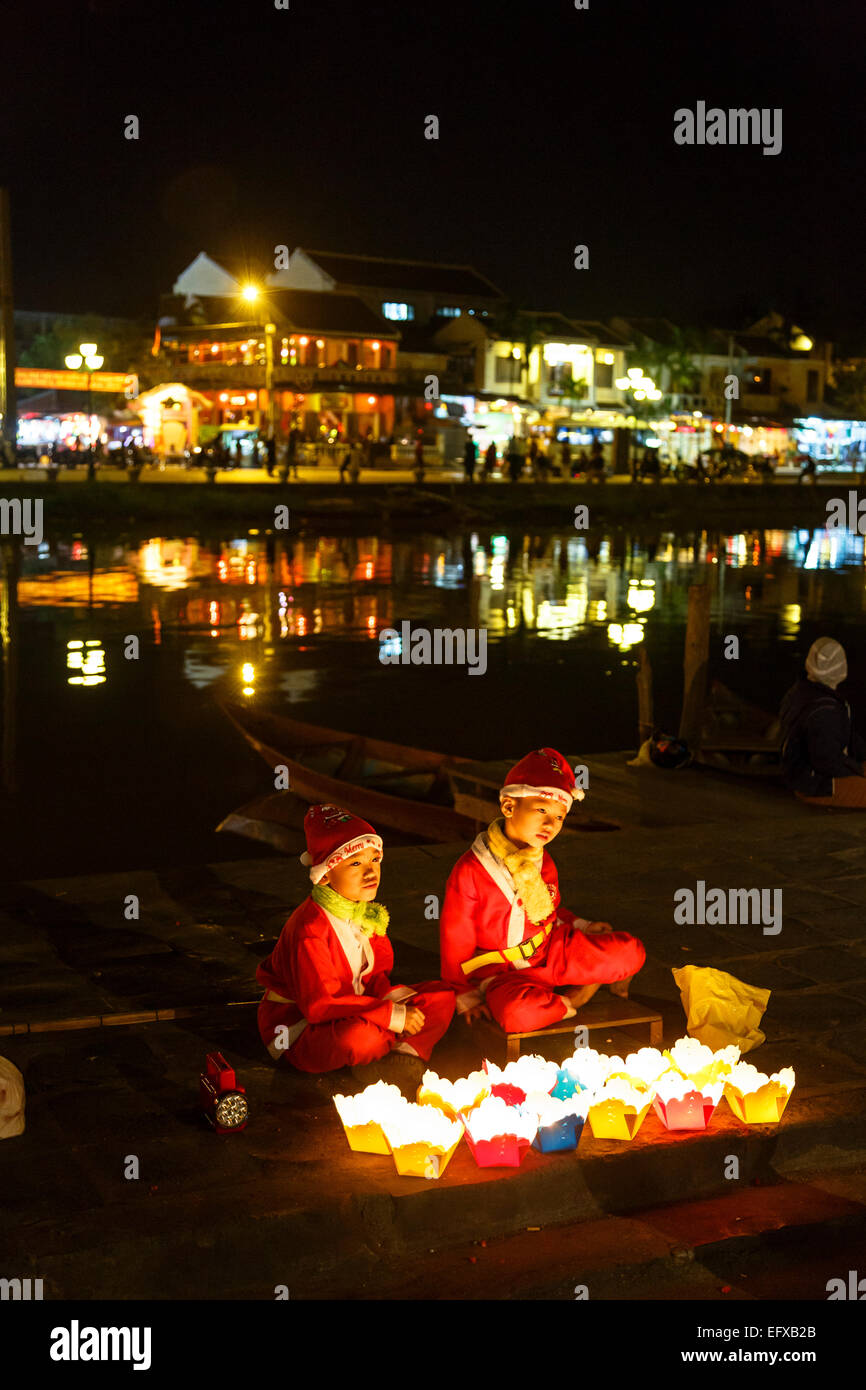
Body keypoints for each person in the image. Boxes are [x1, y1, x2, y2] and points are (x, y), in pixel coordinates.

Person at [439, 749, 646, 1035]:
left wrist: (582, 925)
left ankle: (565, 991)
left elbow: (550, 911)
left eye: (559, 817)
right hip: (503, 974)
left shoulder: (543, 861)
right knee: (516, 1016)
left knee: (630, 952)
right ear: (509, 806)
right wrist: (464, 995)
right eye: (541, 810)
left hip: (551, 951)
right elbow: (455, 938)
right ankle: (578, 996)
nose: (550, 825)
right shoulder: (471, 870)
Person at [256, 805, 454, 1085]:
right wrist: (391, 1017)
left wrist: (392, 1011)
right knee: (362, 1038)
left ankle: (401, 1056)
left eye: (375, 860)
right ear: (324, 875)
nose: (371, 872)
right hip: (303, 1026)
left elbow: (376, 978)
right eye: (356, 863)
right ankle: (378, 1056)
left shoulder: (363, 911)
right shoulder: (309, 929)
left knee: (443, 997)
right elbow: (318, 1006)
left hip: (359, 1006)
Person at [780, 638, 866, 807]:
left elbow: (847, 738)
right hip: (814, 783)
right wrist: (859, 771)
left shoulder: (801, 691)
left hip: (802, 774)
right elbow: (827, 761)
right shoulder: (825, 710)